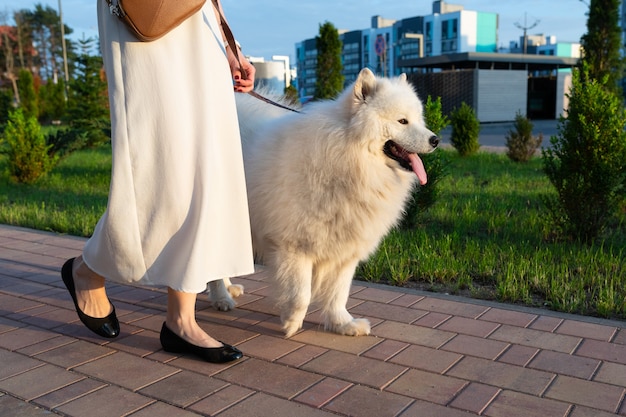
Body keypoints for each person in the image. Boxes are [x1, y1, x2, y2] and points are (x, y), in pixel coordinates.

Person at [60, 0, 256, 363]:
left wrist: (230, 45)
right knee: (162, 166)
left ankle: (181, 320)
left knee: (206, 168)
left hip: (198, 22)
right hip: (144, 22)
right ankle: (88, 269)